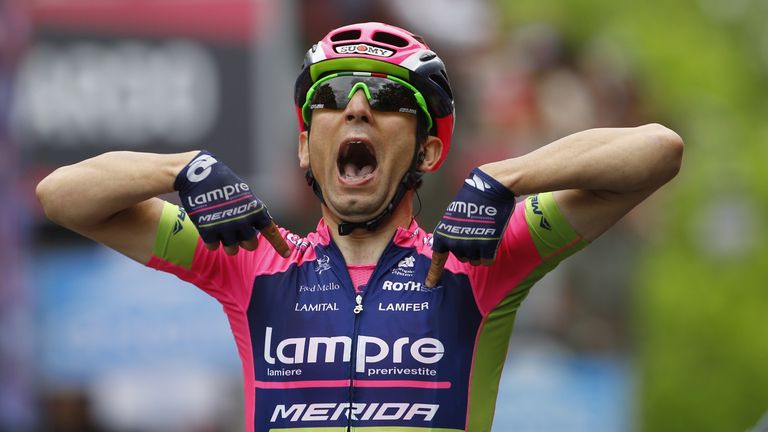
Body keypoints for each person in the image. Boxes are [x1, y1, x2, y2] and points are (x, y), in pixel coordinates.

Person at [36, 22, 683, 432]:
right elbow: (62, 197)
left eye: (390, 100)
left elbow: (657, 151)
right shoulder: (253, 259)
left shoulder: (475, 263)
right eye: (331, 97)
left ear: (428, 154)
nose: (357, 108)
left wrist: (504, 179)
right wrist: (179, 168)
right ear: (303, 147)